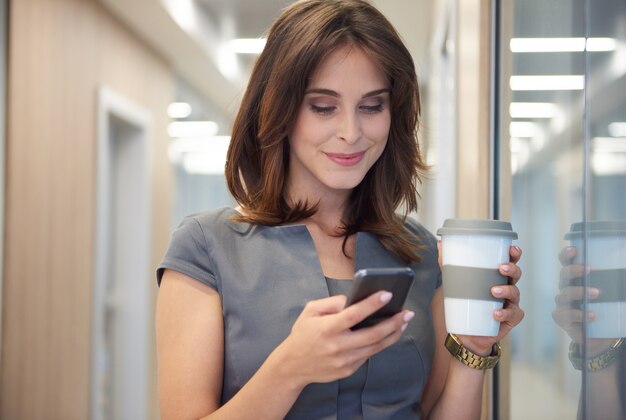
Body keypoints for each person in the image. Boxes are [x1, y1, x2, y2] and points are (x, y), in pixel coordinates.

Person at [155, 0, 524, 418]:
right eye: (323, 107)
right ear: (279, 110)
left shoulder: (419, 252)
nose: (351, 132)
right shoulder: (207, 248)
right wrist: (289, 369)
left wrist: (473, 350)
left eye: (372, 106)